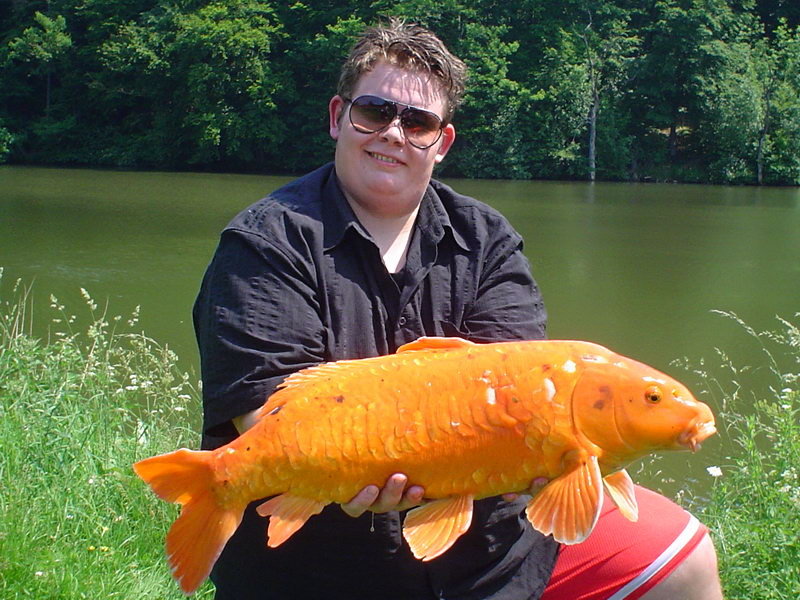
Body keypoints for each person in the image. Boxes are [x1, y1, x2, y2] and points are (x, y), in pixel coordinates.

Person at [193, 19, 723, 600]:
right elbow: (261, 420)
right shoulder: (266, 242)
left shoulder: (487, 237)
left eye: (417, 122)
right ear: (338, 117)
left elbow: (520, 391)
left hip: (491, 553)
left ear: (440, 143)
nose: (394, 134)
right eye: (375, 112)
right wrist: (354, 460)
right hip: (322, 564)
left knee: (685, 559)